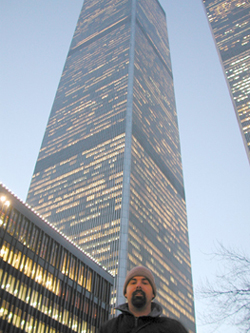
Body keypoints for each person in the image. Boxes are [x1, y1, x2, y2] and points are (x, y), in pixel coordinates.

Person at [99, 266, 188, 333]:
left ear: (153, 294)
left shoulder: (173, 328)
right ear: (125, 293)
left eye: (145, 283)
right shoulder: (108, 329)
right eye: (133, 282)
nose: (138, 285)